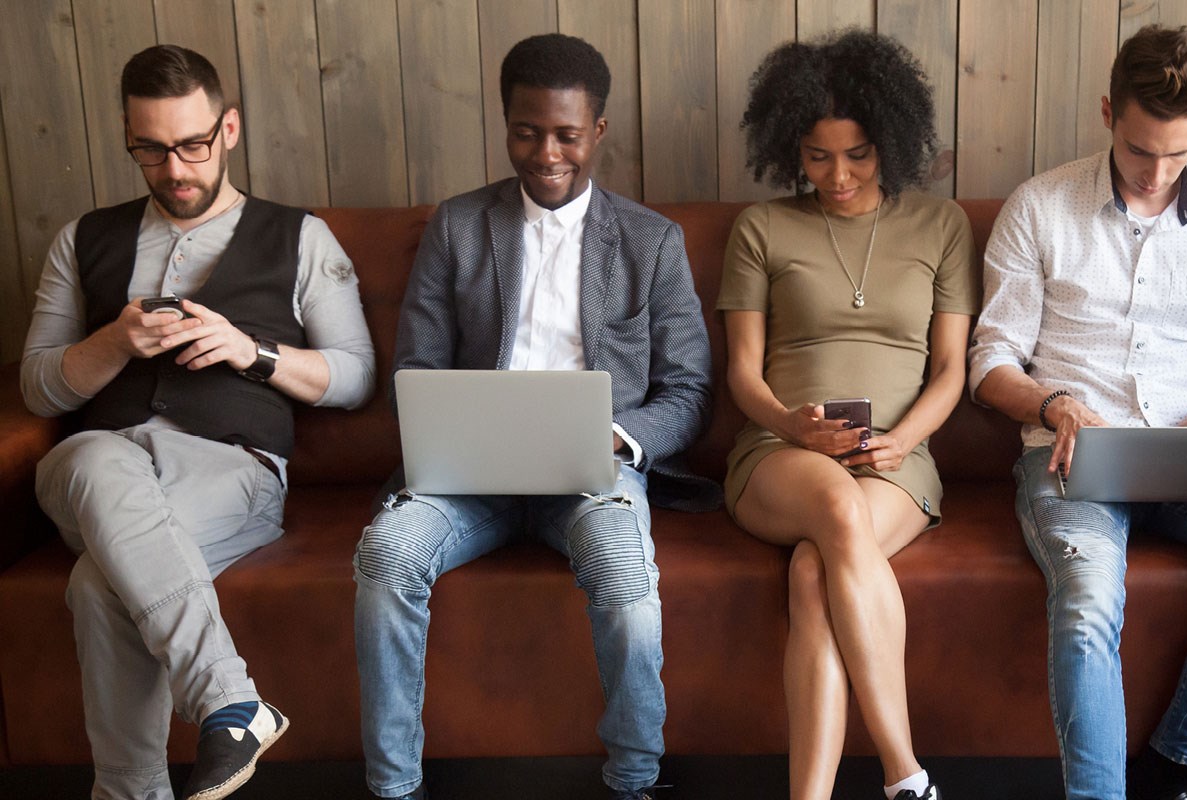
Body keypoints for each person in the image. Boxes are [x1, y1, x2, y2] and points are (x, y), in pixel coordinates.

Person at [968, 25, 1187, 800]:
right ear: (1108, 112)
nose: (1157, 174)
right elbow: (990, 364)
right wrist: (1056, 403)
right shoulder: (1038, 207)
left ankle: (1176, 764)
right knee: (1089, 599)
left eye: (1180, 154)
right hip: (1072, 455)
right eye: (1140, 151)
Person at [351, 33, 712, 800]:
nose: (546, 152)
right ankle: (392, 786)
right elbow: (413, 369)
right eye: (526, 130)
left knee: (622, 566)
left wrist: (615, 436)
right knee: (387, 555)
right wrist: (450, 431)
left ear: (598, 132)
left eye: (567, 135)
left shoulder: (652, 243)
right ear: (505, 123)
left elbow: (688, 393)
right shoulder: (458, 226)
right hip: (468, 478)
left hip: (593, 467)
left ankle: (634, 780)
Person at [21, 44, 376, 800]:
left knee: (97, 583)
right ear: (128, 138)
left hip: (231, 467)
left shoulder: (299, 236)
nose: (175, 169)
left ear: (230, 129)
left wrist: (254, 353)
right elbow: (39, 389)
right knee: (88, 458)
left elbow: (355, 375)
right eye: (149, 151)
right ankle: (228, 701)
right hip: (100, 459)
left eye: (192, 144)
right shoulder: (80, 241)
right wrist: (113, 341)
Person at [718, 30, 978, 800]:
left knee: (812, 570)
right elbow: (741, 370)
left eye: (858, 153)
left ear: (891, 143)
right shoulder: (761, 229)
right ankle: (905, 772)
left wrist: (904, 439)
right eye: (817, 154)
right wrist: (789, 425)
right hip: (778, 452)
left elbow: (951, 369)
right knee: (831, 505)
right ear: (789, 147)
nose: (837, 175)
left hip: (896, 461)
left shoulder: (941, 225)